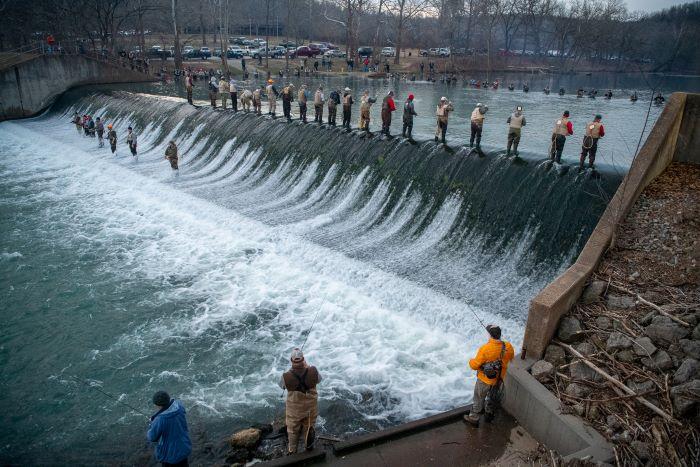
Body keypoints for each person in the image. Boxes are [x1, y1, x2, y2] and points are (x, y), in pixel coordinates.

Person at [464, 325, 514, 427]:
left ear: (490, 335)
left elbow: (474, 365)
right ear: (500, 335)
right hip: (498, 379)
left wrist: (470, 361)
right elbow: (511, 357)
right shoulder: (508, 346)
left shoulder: (485, 348)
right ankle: (489, 414)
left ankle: (474, 418)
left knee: (479, 398)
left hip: (484, 380)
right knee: (492, 397)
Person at [279, 348, 321, 454]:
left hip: (294, 410)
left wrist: (291, 371)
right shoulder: (313, 370)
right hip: (310, 408)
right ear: (303, 359)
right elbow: (319, 379)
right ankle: (309, 448)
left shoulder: (286, 376)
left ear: (291, 360)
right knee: (309, 427)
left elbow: (281, 386)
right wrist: (307, 367)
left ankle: (293, 451)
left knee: (293, 430)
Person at [147, 390, 192, 466]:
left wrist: (152, 424)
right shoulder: (179, 406)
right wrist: (155, 418)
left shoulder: (160, 420)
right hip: (184, 448)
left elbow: (152, 437)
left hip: (170, 455)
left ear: (158, 405)